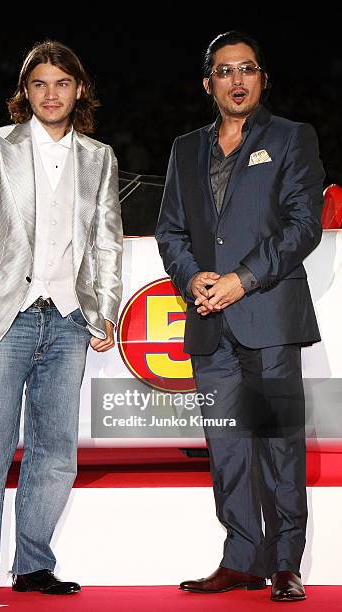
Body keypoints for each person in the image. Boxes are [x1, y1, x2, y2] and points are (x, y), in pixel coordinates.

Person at [0, 40, 123, 596]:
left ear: (79, 89)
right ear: (26, 92)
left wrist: (105, 310)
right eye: (39, 83)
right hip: (3, 319)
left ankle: (34, 566)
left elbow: (106, 242)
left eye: (61, 83)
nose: (51, 93)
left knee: (55, 452)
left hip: (69, 319)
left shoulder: (100, 157)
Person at [156, 31, 324, 603]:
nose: (237, 80)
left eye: (247, 69)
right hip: (209, 324)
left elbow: (303, 224)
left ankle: (285, 564)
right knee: (226, 449)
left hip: (270, 318)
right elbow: (170, 231)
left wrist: (241, 279)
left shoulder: (292, 138)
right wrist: (191, 277)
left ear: (263, 78)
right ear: (209, 84)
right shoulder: (184, 148)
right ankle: (241, 558)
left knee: (279, 443)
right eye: (224, 72)